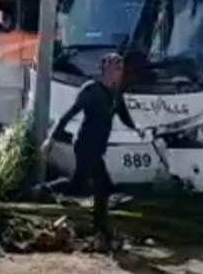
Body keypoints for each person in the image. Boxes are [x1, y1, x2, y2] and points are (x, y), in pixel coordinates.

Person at [42, 53, 138, 248]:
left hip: (97, 148)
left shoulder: (116, 95)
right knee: (101, 187)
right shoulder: (91, 90)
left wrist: (139, 130)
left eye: (120, 69)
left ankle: (44, 190)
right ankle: (102, 231)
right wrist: (51, 139)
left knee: (80, 185)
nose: (118, 73)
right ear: (105, 69)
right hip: (85, 145)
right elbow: (67, 116)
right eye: (114, 68)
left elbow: (125, 117)